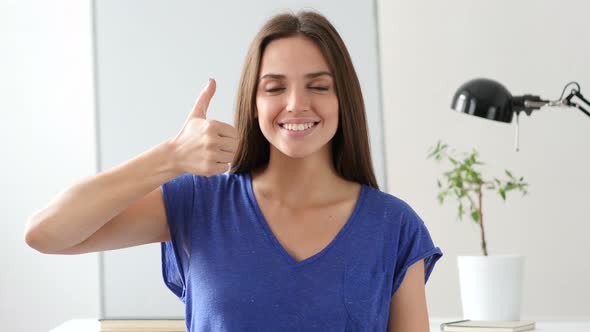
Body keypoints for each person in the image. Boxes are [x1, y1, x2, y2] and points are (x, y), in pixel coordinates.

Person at [24, 10, 442, 332]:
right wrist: (169, 158)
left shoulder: (393, 226)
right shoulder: (199, 204)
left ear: (343, 99)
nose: (296, 103)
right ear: (253, 102)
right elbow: (46, 232)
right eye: (275, 87)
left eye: (318, 85)